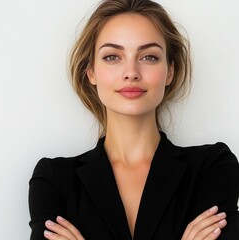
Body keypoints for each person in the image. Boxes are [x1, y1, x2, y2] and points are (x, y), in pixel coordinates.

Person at [28, 0, 239, 239]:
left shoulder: (212, 168)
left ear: (170, 71)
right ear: (91, 72)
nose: (131, 72)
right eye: (112, 57)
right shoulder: (54, 179)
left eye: (149, 57)